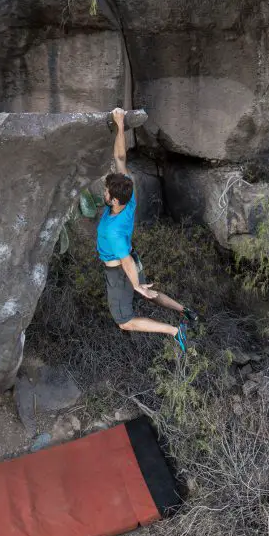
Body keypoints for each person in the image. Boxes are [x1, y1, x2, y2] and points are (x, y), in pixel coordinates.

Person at [97, 107, 197, 353]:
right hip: (130, 255)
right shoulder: (127, 194)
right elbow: (120, 158)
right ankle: (186, 311)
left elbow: (126, 261)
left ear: (115, 201)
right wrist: (120, 125)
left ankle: (175, 331)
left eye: (106, 192)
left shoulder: (114, 230)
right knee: (149, 292)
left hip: (120, 271)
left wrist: (135, 285)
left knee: (125, 322)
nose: (104, 192)